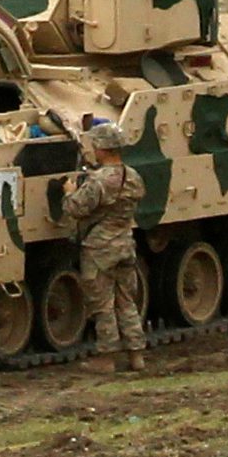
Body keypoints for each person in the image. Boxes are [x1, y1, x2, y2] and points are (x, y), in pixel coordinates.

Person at [62, 119, 148, 375]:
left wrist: (68, 191)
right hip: (124, 244)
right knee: (126, 301)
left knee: (102, 304)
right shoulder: (133, 176)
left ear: (101, 148)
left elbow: (75, 208)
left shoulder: (99, 181)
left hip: (100, 249)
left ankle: (107, 358)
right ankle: (136, 355)